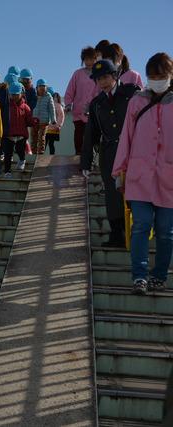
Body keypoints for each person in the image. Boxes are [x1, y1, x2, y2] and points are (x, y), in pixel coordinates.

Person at [112, 52, 173, 295]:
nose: (157, 80)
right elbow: (125, 137)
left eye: (162, 76)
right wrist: (119, 171)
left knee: (166, 231)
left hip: (168, 178)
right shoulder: (136, 102)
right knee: (140, 226)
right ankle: (139, 276)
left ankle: (159, 275)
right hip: (140, 176)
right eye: (153, 77)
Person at [81, 59, 140, 247]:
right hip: (110, 155)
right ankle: (117, 234)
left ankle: (138, 232)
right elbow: (90, 134)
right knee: (113, 196)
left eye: (106, 77)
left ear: (115, 76)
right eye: (98, 79)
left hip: (134, 152)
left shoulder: (132, 93)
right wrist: (86, 162)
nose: (103, 82)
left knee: (136, 193)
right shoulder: (96, 104)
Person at [65, 46, 98, 155]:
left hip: (93, 111)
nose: (88, 62)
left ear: (95, 59)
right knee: (79, 134)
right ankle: (78, 154)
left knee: (91, 134)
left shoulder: (99, 74)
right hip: (79, 110)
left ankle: (91, 155)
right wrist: (68, 104)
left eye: (91, 59)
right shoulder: (77, 74)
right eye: (86, 59)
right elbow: (71, 89)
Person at [3, 81, 35, 176]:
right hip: (9, 134)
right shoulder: (7, 106)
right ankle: (7, 171)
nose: (14, 96)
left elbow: (29, 121)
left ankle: (22, 160)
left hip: (21, 134)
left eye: (17, 94)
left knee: (20, 149)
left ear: (22, 94)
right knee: (8, 154)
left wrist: (34, 121)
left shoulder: (26, 107)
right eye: (12, 94)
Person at [31, 79, 56, 154]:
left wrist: (53, 119)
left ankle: (41, 152)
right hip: (34, 120)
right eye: (40, 88)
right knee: (34, 136)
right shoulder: (33, 95)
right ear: (37, 88)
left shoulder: (48, 96)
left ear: (46, 88)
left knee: (42, 137)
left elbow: (52, 108)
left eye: (44, 88)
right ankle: (33, 152)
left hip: (44, 120)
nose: (42, 90)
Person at [45, 88, 64, 155]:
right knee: (43, 142)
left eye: (56, 97)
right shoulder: (47, 104)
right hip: (46, 127)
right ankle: (40, 156)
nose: (55, 98)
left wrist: (59, 125)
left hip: (53, 128)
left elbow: (61, 116)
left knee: (51, 143)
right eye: (54, 96)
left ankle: (51, 156)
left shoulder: (59, 106)